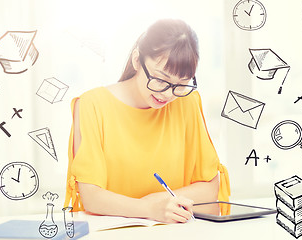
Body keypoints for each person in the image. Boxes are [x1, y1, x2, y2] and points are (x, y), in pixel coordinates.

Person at [64, 18, 230, 223]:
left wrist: (158, 201)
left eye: (181, 84)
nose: (168, 94)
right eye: (160, 80)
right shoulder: (93, 105)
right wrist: (148, 207)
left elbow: (209, 189)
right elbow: (92, 197)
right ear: (137, 60)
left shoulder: (187, 102)